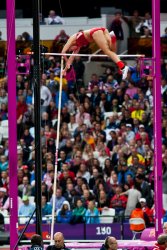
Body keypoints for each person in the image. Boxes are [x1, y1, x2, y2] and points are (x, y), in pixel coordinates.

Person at [61, 27, 129, 80]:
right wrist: (65, 70)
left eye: (70, 49)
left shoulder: (71, 40)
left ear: (69, 47)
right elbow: (71, 59)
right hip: (102, 30)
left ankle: (123, 67)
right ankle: (112, 38)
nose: (71, 50)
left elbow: (63, 52)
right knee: (113, 51)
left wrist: (66, 60)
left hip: (94, 32)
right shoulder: (78, 47)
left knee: (106, 51)